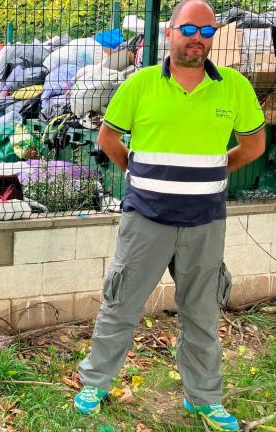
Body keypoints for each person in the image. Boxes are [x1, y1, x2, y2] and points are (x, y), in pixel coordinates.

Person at [73, 1, 266, 430]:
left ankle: (205, 398)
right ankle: (95, 383)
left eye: (208, 31)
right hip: (146, 218)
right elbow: (108, 139)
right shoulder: (139, 84)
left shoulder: (233, 87)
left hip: (204, 222)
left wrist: (215, 170)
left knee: (202, 311)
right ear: (171, 31)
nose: (198, 38)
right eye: (190, 28)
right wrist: (139, 173)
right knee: (121, 302)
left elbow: (253, 147)